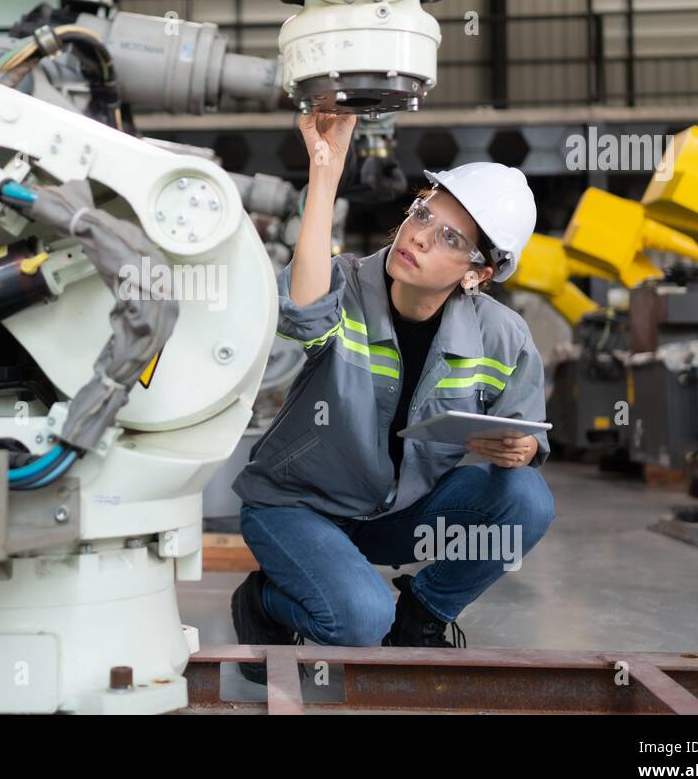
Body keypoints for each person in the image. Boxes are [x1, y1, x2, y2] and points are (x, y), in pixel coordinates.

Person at [230, 111, 555, 685]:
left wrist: (518, 448)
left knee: (526, 500)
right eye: (424, 212)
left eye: (450, 238)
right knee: (359, 622)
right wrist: (324, 175)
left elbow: (526, 431)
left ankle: (424, 614)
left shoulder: (502, 335)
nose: (420, 236)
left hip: (396, 513)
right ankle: (265, 601)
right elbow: (303, 312)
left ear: (479, 273)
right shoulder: (347, 283)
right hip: (297, 508)